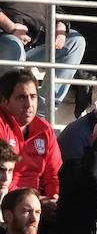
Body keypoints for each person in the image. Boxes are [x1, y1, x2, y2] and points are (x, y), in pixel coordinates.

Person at [0, 70, 59, 202]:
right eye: (21, 97)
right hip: (8, 203)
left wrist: (54, 198)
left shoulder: (44, 129)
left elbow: (54, 175)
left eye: (33, 97)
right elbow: (2, 180)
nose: (29, 104)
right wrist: (35, 200)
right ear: (4, 101)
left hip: (38, 204)